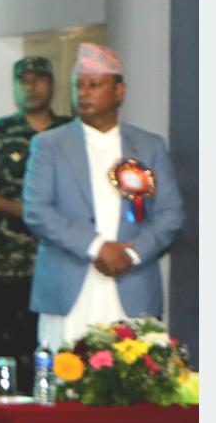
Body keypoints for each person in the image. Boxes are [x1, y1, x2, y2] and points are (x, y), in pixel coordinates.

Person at [23, 42, 186, 348]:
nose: (84, 93)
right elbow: (37, 211)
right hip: (68, 288)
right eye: (79, 86)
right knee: (64, 374)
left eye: (95, 85)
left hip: (132, 286)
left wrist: (130, 254)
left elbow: (170, 214)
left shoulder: (149, 146)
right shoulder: (49, 145)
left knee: (135, 375)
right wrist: (98, 247)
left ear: (119, 91)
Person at [0, 56, 71, 277]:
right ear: (14, 87)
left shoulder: (72, 132)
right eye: (23, 80)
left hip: (65, 251)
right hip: (12, 254)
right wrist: (21, 211)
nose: (31, 87)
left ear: (52, 85)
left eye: (39, 79)